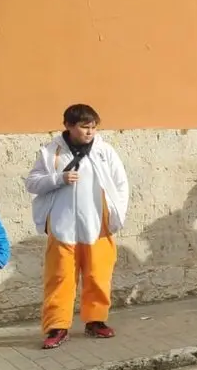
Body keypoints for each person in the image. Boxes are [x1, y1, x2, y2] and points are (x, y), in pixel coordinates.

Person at [26, 104, 130, 349]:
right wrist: (58, 179)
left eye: (93, 127)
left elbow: (121, 184)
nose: (89, 132)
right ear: (68, 126)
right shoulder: (50, 152)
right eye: (84, 127)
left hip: (97, 225)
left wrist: (116, 216)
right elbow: (32, 183)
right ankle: (57, 326)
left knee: (98, 275)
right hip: (62, 226)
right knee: (59, 277)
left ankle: (96, 321)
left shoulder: (105, 152)